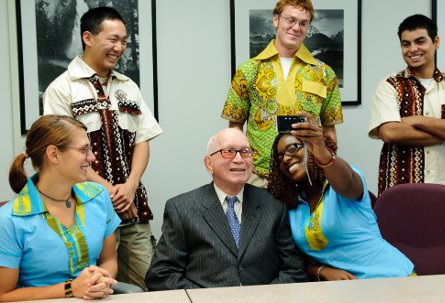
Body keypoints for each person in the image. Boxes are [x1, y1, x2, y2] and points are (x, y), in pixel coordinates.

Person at [42, 6, 163, 290]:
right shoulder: (62, 89)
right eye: (112, 39)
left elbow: (143, 139)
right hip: (86, 209)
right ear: (88, 37)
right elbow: (61, 152)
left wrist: (130, 186)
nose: (119, 47)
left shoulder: (128, 86)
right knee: (97, 286)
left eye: (124, 40)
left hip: (131, 206)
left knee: (151, 283)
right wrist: (110, 191)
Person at [145, 128, 308, 290]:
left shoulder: (273, 206)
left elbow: (294, 269)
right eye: (229, 151)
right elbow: (161, 274)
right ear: (209, 164)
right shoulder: (182, 209)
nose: (239, 159)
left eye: (245, 152)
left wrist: (264, 298)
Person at [268, 112, 414, 280]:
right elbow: (293, 260)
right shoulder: (293, 204)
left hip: (392, 278)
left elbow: (347, 184)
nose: (286, 158)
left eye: (293, 148)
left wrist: (321, 151)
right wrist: (321, 270)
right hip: (348, 290)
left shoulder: (340, 186)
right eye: (280, 157)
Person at [222, 0, 343, 188]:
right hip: (259, 178)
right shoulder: (248, 71)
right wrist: (241, 168)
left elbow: (329, 129)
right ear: (276, 19)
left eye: (303, 23)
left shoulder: (325, 73)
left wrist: (326, 166)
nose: (296, 27)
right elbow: (235, 128)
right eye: (290, 20)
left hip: (309, 178)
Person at [0, 115, 121, 301]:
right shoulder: (9, 220)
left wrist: (101, 280)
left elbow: (109, 259)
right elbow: (3, 295)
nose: (92, 157)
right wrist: (71, 289)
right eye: (83, 150)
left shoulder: (98, 196)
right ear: (54, 154)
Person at [369, 14, 445, 196]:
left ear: (435, 42)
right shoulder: (389, 85)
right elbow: (390, 132)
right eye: (406, 44)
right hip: (400, 191)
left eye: (420, 41)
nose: (413, 49)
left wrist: (417, 120)